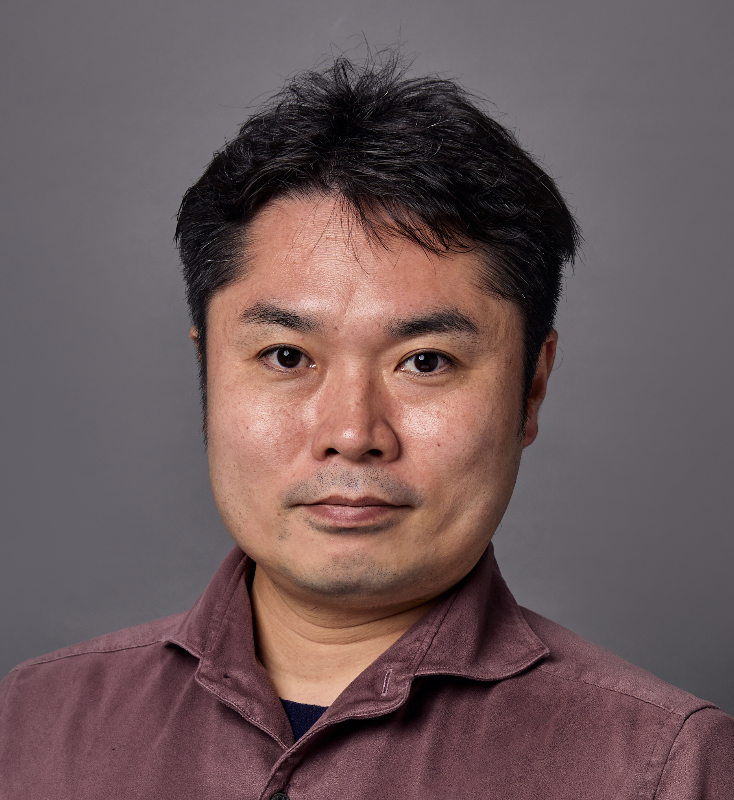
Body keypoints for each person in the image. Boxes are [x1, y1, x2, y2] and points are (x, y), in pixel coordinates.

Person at [1, 54, 732, 799]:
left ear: (532, 388)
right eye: (287, 355)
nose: (353, 433)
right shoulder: (30, 727)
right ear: (209, 374)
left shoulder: (668, 769)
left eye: (425, 362)